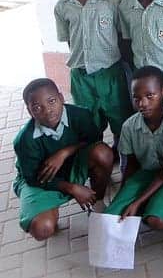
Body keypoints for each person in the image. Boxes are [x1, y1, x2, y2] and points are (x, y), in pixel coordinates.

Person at [13, 78, 113, 240]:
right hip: (41, 178)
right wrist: (71, 188)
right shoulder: (25, 140)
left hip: (72, 164)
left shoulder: (80, 114)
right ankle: (50, 211)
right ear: (29, 111)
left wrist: (65, 152)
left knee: (103, 153)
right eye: (37, 107)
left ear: (61, 97)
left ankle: (96, 199)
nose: (47, 110)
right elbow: (32, 177)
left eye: (51, 101)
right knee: (42, 229)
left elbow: (94, 139)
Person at [54, 0, 131, 146]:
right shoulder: (62, 6)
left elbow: (121, 35)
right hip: (81, 77)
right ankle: (97, 168)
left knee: (120, 121)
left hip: (111, 74)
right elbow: (70, 40)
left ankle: (122, 161)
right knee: (87, 126)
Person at [104, 66, 163, 229]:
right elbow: (131, 165)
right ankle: (148, 203)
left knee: (156, 221)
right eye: (136, 98)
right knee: (111, 216)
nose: (142, 103)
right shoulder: (129, 127)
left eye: (150, 96)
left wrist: (138, 201)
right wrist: (123, 194)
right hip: (145, 174)